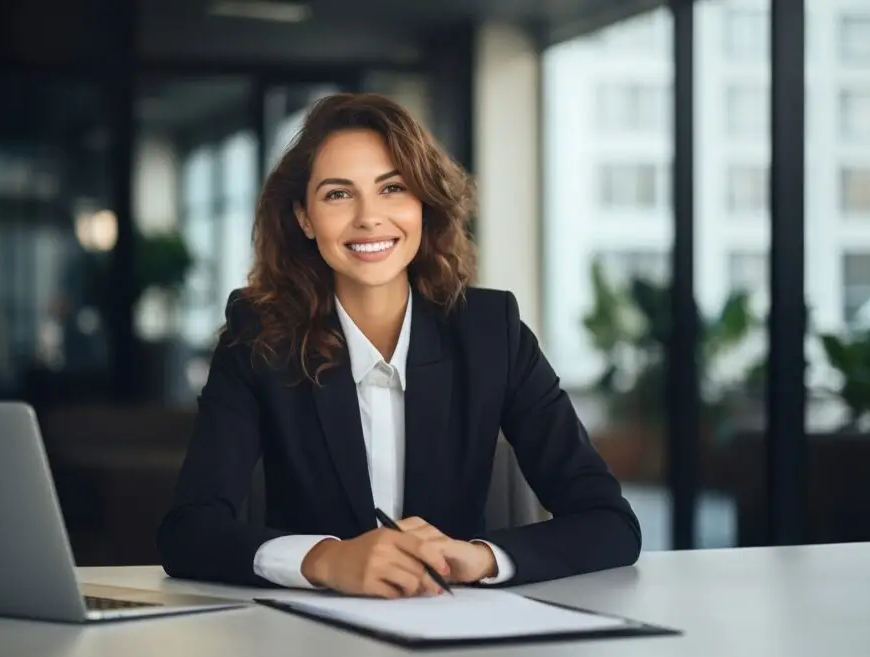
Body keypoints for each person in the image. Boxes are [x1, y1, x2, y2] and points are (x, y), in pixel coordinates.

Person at [157, 93, 641, 598]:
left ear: (423, 205)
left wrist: (478, 557)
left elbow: (609, 522)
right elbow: (187, 532)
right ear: (304, 218)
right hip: (303, 642)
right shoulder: (258, 337)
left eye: (393, 188)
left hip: (457, 634)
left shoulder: (490, 332)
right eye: (338, 195)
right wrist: (325, 559)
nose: (369, 217)